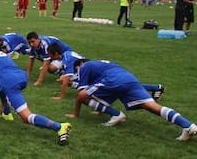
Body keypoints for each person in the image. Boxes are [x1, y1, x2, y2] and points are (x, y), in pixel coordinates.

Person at [0, 42, 72, 146]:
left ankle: (60, 127)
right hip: (22, 77)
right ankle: (6, 113)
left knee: (26, 117)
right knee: (0, 85)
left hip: (10, 82)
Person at [66, 59, 197, 141]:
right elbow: (106, 96)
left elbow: (81, 95)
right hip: (129, 79)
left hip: (113, 80)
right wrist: (100, 110)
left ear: (79, 65)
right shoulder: (102, 66)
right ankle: (188, 126)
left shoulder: (84, 67)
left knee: (82, 96)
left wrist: (76, 114)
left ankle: (117, 115)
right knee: (151, 106)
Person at [46, 44, 164, 101]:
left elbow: (67, 78)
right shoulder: (66, 55)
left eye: (50, 55)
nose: (50, 57)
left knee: (123, 86)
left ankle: (156, 87)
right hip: (91, 69)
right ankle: (156, 87)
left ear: (56, 53)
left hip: (90, 71)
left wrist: (61, 96)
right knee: (126, 85)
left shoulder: (67, 58)